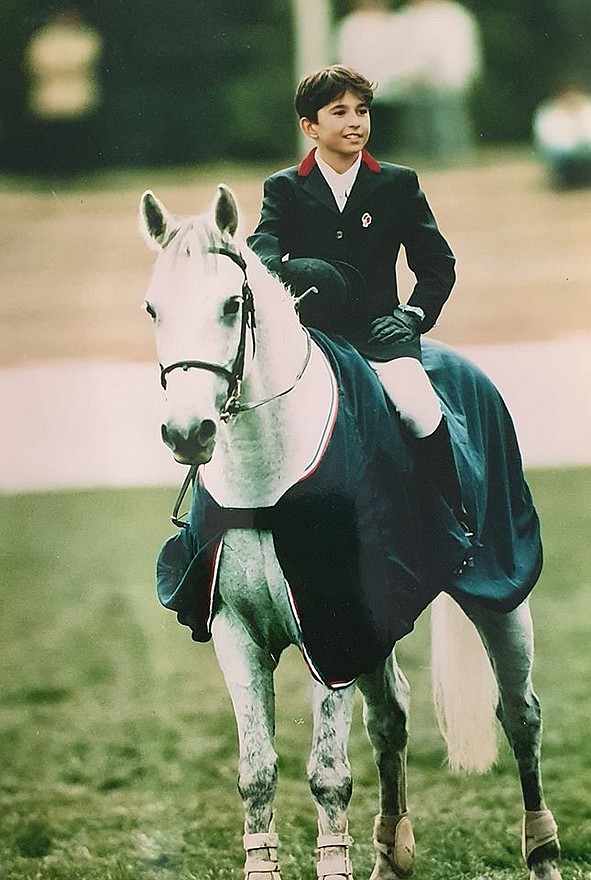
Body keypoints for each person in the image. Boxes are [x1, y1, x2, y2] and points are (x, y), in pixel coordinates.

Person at [247, 65, 472, 537]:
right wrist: (280, 271)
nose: (355, 122)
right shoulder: (283, 186)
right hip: (313, 337)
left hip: (380, 336)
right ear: (310, 126)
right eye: (339, 112)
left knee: (416, 406)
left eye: (362, 111)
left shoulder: (397, 182)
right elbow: (263, 244)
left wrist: (411, 316)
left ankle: (456, 522)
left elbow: (437, 263)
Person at [392, 0, 482, 163]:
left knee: (448, 127)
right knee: (417, 129)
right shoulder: (407, 16)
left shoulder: (453, 15)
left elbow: (461, 50)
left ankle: (454, 160)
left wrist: (462, 75)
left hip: (449, 82)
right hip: (415, 84)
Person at [335, 0, 405, 154]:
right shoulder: (351, 25)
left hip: (394, 91)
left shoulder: (395, 23)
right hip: (361, 91)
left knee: (390, 141)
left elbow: (404, 55)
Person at [533, 84, 591, 189]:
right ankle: (565, 180)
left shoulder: (587, 110)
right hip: (562, 151)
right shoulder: (549, 112)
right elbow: (547, 138)